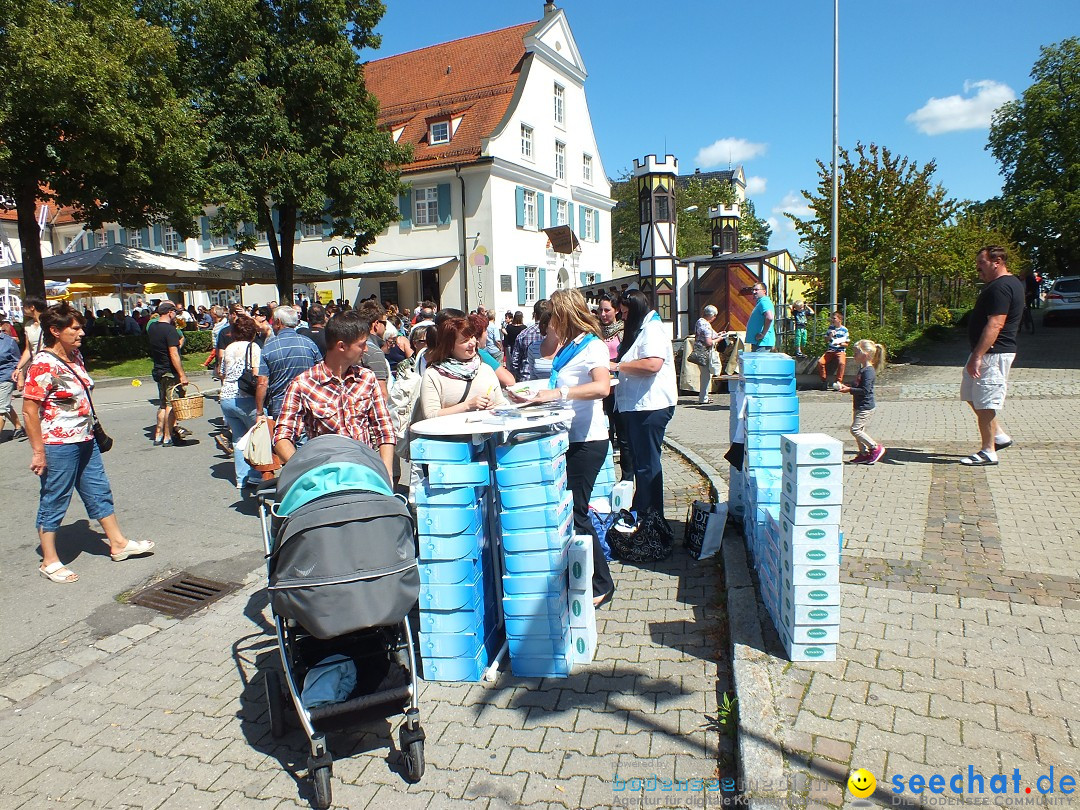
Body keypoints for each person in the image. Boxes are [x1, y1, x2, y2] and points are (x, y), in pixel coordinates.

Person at [22, 303, 154, 584]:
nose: (82, 332)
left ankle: (117, 543)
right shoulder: (43, 364)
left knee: (98, 490)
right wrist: (38, 451)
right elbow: (29, 410)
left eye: (80, 326)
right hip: (58, 444)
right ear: (55, 331)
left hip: (86, 438)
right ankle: (50, 560)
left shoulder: (75, 356)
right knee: (55, 497)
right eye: (75, 328)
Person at [507, 289, 614, 606]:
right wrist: (532, 394)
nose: (547, 321)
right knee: (572, 512)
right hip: (570, 436)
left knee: (578, 513)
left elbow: (601, 387)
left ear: (564, 314)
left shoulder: (592, 346)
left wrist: (553, 395)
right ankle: (585, 576)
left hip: (587, 439)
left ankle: (601, 583)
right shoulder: (571, 345)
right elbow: (554, 383)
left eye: (552, 315)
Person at [272, 311, 396, 477]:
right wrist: (305, 474)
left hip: (365, 473)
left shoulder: (367, 378)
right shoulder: (303, 384)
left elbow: (384, 430)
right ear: (341, 346)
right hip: (326, 478)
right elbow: (282, 437)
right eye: (361, 344)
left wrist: (386, 473)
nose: (366, 350)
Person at [612, 290, 678, 520]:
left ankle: (651, 518)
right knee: (642, 463)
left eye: (626, 313)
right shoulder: (642, 328)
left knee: (647, 465)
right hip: (638, 406)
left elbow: (652, 364)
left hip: (650, 405)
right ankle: (644, 512)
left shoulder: (652, 329)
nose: (623, 317)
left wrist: (618, 367)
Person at [960, 245, 1025, 467]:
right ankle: (999, 436)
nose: (978, 268)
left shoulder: (1002, 287)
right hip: (985, 353)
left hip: (993, 354)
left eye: (982, 263)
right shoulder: (1002, 284)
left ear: (996, 261)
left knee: (986, 402)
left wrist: (978, 355)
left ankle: (988, 451)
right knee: (971, 394)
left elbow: (996, 323)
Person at [417, 317, 506, 420]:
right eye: (465, 340)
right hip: (451, 435)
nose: (472, 343)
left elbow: (502, 404)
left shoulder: (485, 369)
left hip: (488, 434)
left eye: (472, 336)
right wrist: (467, 406)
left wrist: (494, 407)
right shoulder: (433, 374)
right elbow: (430, 415)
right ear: (450, 346)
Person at [217, 315, 263, 491]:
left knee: (237, 438)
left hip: (227, 396)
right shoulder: (254, 347)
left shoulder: (229, 348)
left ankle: (241, 478)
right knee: (257, 436)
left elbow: (222, 372)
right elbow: (258, 374)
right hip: (246, 397)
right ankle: (255, 475)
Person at [255, 305, 320, 421]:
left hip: (281, 405)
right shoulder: (309, 343)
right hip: (308, 403)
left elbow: (262, 383)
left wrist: (259, 412)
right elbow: (322, 371)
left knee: (283, 437)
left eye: (273, 322)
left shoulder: (269, 347)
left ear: (279, 322)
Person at [597, 294, 633, 481]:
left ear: (617, 310)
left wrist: (614, 364)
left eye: (607, 310)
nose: (603, 314)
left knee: (624, 436)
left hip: (620, 389)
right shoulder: (595, 332)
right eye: (600, 310)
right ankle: (605, 476)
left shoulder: (624, 330)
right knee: (604, 434)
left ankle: (627, 478)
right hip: (601, 389)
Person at [836, 339, 887, 464]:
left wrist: (849, 389)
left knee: (855, 430)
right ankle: (863, 453)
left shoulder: (868, 371)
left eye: (856, 353)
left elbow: (865, 390)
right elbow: (858, 385)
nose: (853, 355)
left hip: (865, 406)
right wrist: (847, 386)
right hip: (859, 405)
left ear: (865, 354)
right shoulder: (863, 369)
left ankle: (875, 448)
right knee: (860, 430)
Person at [147, 302, 189, 447]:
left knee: (163, 404)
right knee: (173, 404)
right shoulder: (170, 330)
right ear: (170, 312)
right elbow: (174, 354)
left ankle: (158, 435)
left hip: (158, 369)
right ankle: (167, 435)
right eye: (175, 313)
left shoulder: (152, 327)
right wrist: (182, 374)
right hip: (170, 371)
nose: (176, 316)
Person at [357, 301, 391, 401]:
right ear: (376, 324)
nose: (386, 327)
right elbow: (381, 395)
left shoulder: (354, 345)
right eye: (385, 323)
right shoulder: (374, 352)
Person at [509, 299, 547, 381]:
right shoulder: (555, 334)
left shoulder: (524, 334)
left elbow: (515, 361)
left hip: (526, 379)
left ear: (535, 315)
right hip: (547, 381)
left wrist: (517, 376)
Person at [14, 295, 47, 391]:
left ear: (32, 307)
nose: (22, 309)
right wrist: (18, 368)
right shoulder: (28, 326)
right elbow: (28, 349)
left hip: (50, 365)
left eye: (24, 306)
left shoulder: (49, 323)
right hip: (37, 367)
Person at [0, 324, 25, 440]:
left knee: (1, 409)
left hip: (6, 377)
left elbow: (17, 362)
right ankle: (18, 427)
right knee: (5, 405)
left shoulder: (9, 342)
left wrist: (20, 378)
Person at [693, 304, 721, 405]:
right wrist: (719, 339)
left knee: (705, 375)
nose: (714, 318)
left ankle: (704, 396)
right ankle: (703, 398)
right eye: (714, 316)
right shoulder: (706, 325)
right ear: (711, 315)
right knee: (706, 375)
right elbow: (709, 342)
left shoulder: (700, 321)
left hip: (699, 350)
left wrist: (718, 334)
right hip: (705, 352)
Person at [817, 311, 850, 390]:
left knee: (841, 363)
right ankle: (824, 381)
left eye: (834, 318)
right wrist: (830, 336)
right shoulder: (830, 328)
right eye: (832, 318)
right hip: (831, 350)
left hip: (840, 350)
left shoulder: (844, 330)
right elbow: (826, 340)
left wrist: (840, 343)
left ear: (839, 319)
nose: (832, 320)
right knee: (820, 362)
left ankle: (838, 381)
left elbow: (847, 344)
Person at [524, 309, 559, 381]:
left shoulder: (569, 347)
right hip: (540, 390)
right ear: (545, 327)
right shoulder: (533, 348)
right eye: (555, 323)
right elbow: (533, 377)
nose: (560, 327)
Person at [745, 282, 775, 352]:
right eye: (753, 290)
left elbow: (769, 317)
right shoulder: (761, 302)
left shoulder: (764, 301)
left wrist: (762, 334)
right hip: (759, 342)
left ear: (764, 291)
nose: (754, 292)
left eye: (756, 290)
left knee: (760, 363)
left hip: (762, 342)